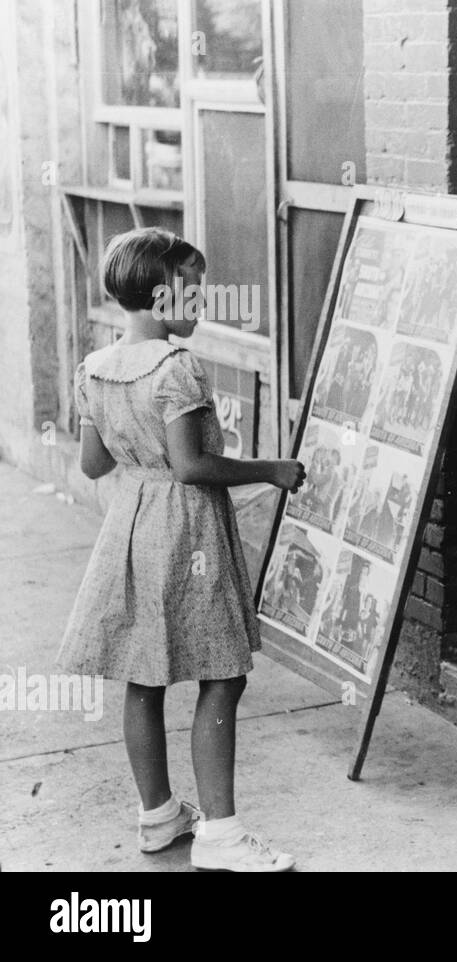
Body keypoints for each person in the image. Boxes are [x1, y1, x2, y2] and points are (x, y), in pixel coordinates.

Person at [58, 228, 305, 871]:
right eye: (193, 293)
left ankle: (159, 816)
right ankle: (220, 836)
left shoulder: (95, 369)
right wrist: (270, 469)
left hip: (130, 527)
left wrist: (133, 445)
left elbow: (90, 465)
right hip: (187, 529)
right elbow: (193, 466)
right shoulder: (176, 367)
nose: (202, 304)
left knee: (145, 674)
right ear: (161, 297)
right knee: (222, 673)